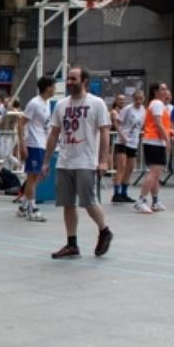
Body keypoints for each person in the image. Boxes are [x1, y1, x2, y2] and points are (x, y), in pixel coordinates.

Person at [42, 67, 113, 259]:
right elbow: (54, 133)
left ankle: (104, 231)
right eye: (68, 79)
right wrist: (46, 161)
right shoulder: (60, 105)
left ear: (85, 82)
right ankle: (72, 243)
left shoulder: (97, 104)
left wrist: (103, 160)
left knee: (88, 202)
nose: (69, 82)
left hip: (86, 161)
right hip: (65, 161)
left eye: (73, 79)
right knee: (67, 203)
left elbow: (105, 132)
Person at [135, 81, 174, 214]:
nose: (166, 91)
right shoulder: (157, 103)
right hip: (154, 141)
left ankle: (155, 200)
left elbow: (165, 125)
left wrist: (172, 135)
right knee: (154, 172)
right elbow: (158, 124)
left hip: (156, 141)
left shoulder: (159, 105)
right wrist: (167, 139)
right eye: (163, 89)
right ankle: (141, 200)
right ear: (156, 92)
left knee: (156, 174)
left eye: (166, 89)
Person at [19, 76, 56, 222]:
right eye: (53, 86)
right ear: (47, 87)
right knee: (33, 177)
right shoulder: (34, 103)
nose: (55, 89)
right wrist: (23, 145)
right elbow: (21, 123)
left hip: (42, 143)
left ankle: (23, 205)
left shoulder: (46, 103)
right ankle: (31, 209)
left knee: (39, 176)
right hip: (33, 144)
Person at [112, 88, 145, 203]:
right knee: (122, 166)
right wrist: (121, 135)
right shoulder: (127, 109)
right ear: (133, 99)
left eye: (140, 99)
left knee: (130, 169)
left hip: (134, 142)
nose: (138, 101)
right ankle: (116, 193)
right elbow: (116, 122)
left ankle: (124, 193)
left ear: (143, 99)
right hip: (123, 141)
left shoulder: (143, 111)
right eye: (136, 99)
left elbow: (141, 125)